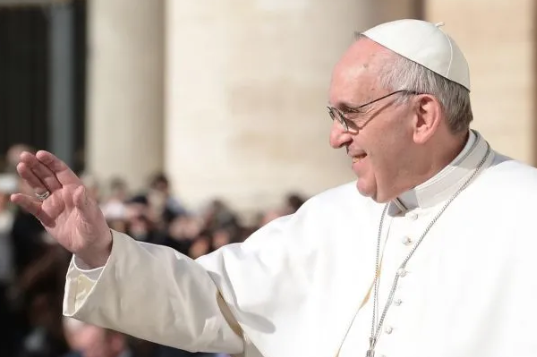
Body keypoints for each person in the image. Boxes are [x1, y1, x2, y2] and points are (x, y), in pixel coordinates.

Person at [9, 19, 537, 357]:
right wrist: (101, 250)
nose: (335, 137)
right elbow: (214, 302)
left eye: (350, 115)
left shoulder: (525, 213)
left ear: (422, 116)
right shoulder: (330, 218)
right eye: (333, 115)